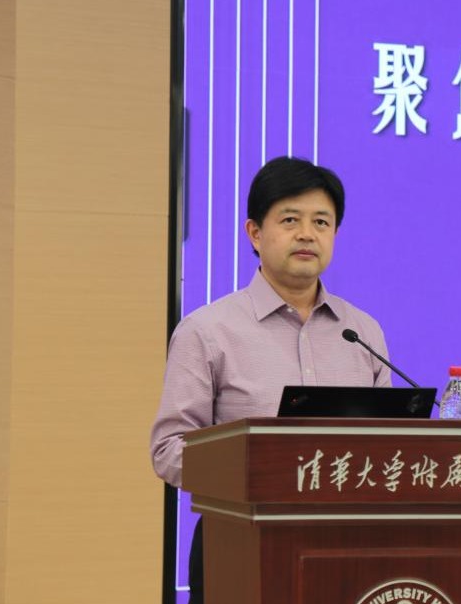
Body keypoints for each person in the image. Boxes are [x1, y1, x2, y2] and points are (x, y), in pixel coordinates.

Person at [150, 156, 392, 603]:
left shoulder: (363, 332)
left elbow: (386, 446)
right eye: (290, 220)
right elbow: (168, 450)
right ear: (255, 233)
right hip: (239, 542)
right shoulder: (207, 331)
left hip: (348, 546)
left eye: (321, 222)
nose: (307, 234)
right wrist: (256, 471)